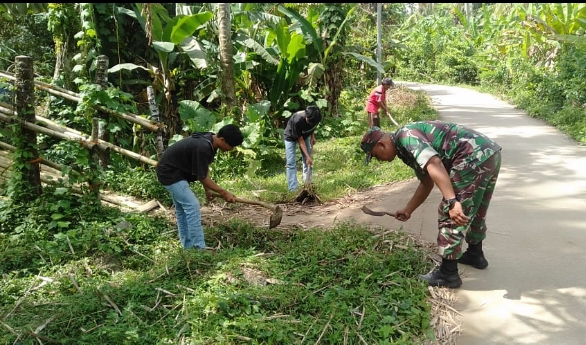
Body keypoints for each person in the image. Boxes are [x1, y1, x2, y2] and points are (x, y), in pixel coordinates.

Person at [360, 121, 502, 288]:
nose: (378, 160)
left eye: (375, 155)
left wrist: (451, 201)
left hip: (471, 156)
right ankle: (475, 254)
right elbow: (426, 181)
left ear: (381, 144)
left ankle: (448, 275)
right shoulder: (404, 146)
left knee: (451, 212)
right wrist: (409, 209)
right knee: (475, 208)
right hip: (488, 152)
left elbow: (435, 164)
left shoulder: (406, 138)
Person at [156, 124, 244, 249]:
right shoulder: (203, 147)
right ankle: (199, 249)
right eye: (231, 145)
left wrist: (207, 190)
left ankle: (188, 247)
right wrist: (224, 192)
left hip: (174, 172)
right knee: (192, 206)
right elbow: (202, 177)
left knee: (183, 210)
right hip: (170, 174)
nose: (231, 149)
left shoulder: (210, 140)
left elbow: (202, 169)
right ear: (222, 140)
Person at [283, 105, 322, 191]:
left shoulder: (315, 118)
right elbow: (300, 140)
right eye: (309, 121)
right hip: (290, 137)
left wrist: (312, 137)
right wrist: (307, 156)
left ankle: (308, 184)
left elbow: (313, 127)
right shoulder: (298, 120)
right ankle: (293, 188)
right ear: (306, 116)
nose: (310, 123)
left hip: (305, 136)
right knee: (291, 163)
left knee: (308, 162)